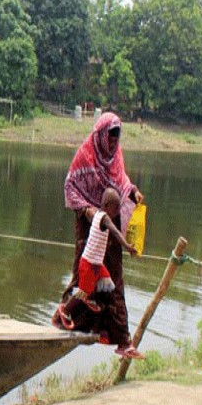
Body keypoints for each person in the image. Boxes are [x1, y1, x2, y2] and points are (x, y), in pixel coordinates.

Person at [58, 111, 146, 359]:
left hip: (111, 219)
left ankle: (120, 338)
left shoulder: (115, 156)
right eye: (110, 137)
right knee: (85, 278)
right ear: (100, 135)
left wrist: (133, 192)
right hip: (88, 224)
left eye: (117, 138)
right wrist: (87, 209)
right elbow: (70, 186)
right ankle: (68, 318)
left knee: (113, 280)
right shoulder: (86, 154)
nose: (113, 143)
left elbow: (122, 181)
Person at [56, 188, 138, 330]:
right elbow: (115, 232)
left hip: (96, 264)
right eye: (116, 208)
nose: (118, 212)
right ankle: (66, 310)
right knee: (82, 292)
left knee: (108, 284)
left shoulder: (98, 214)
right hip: (88, 264)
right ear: (106, 206)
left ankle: (91, 298)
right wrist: (127, 246)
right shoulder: (104, 218)